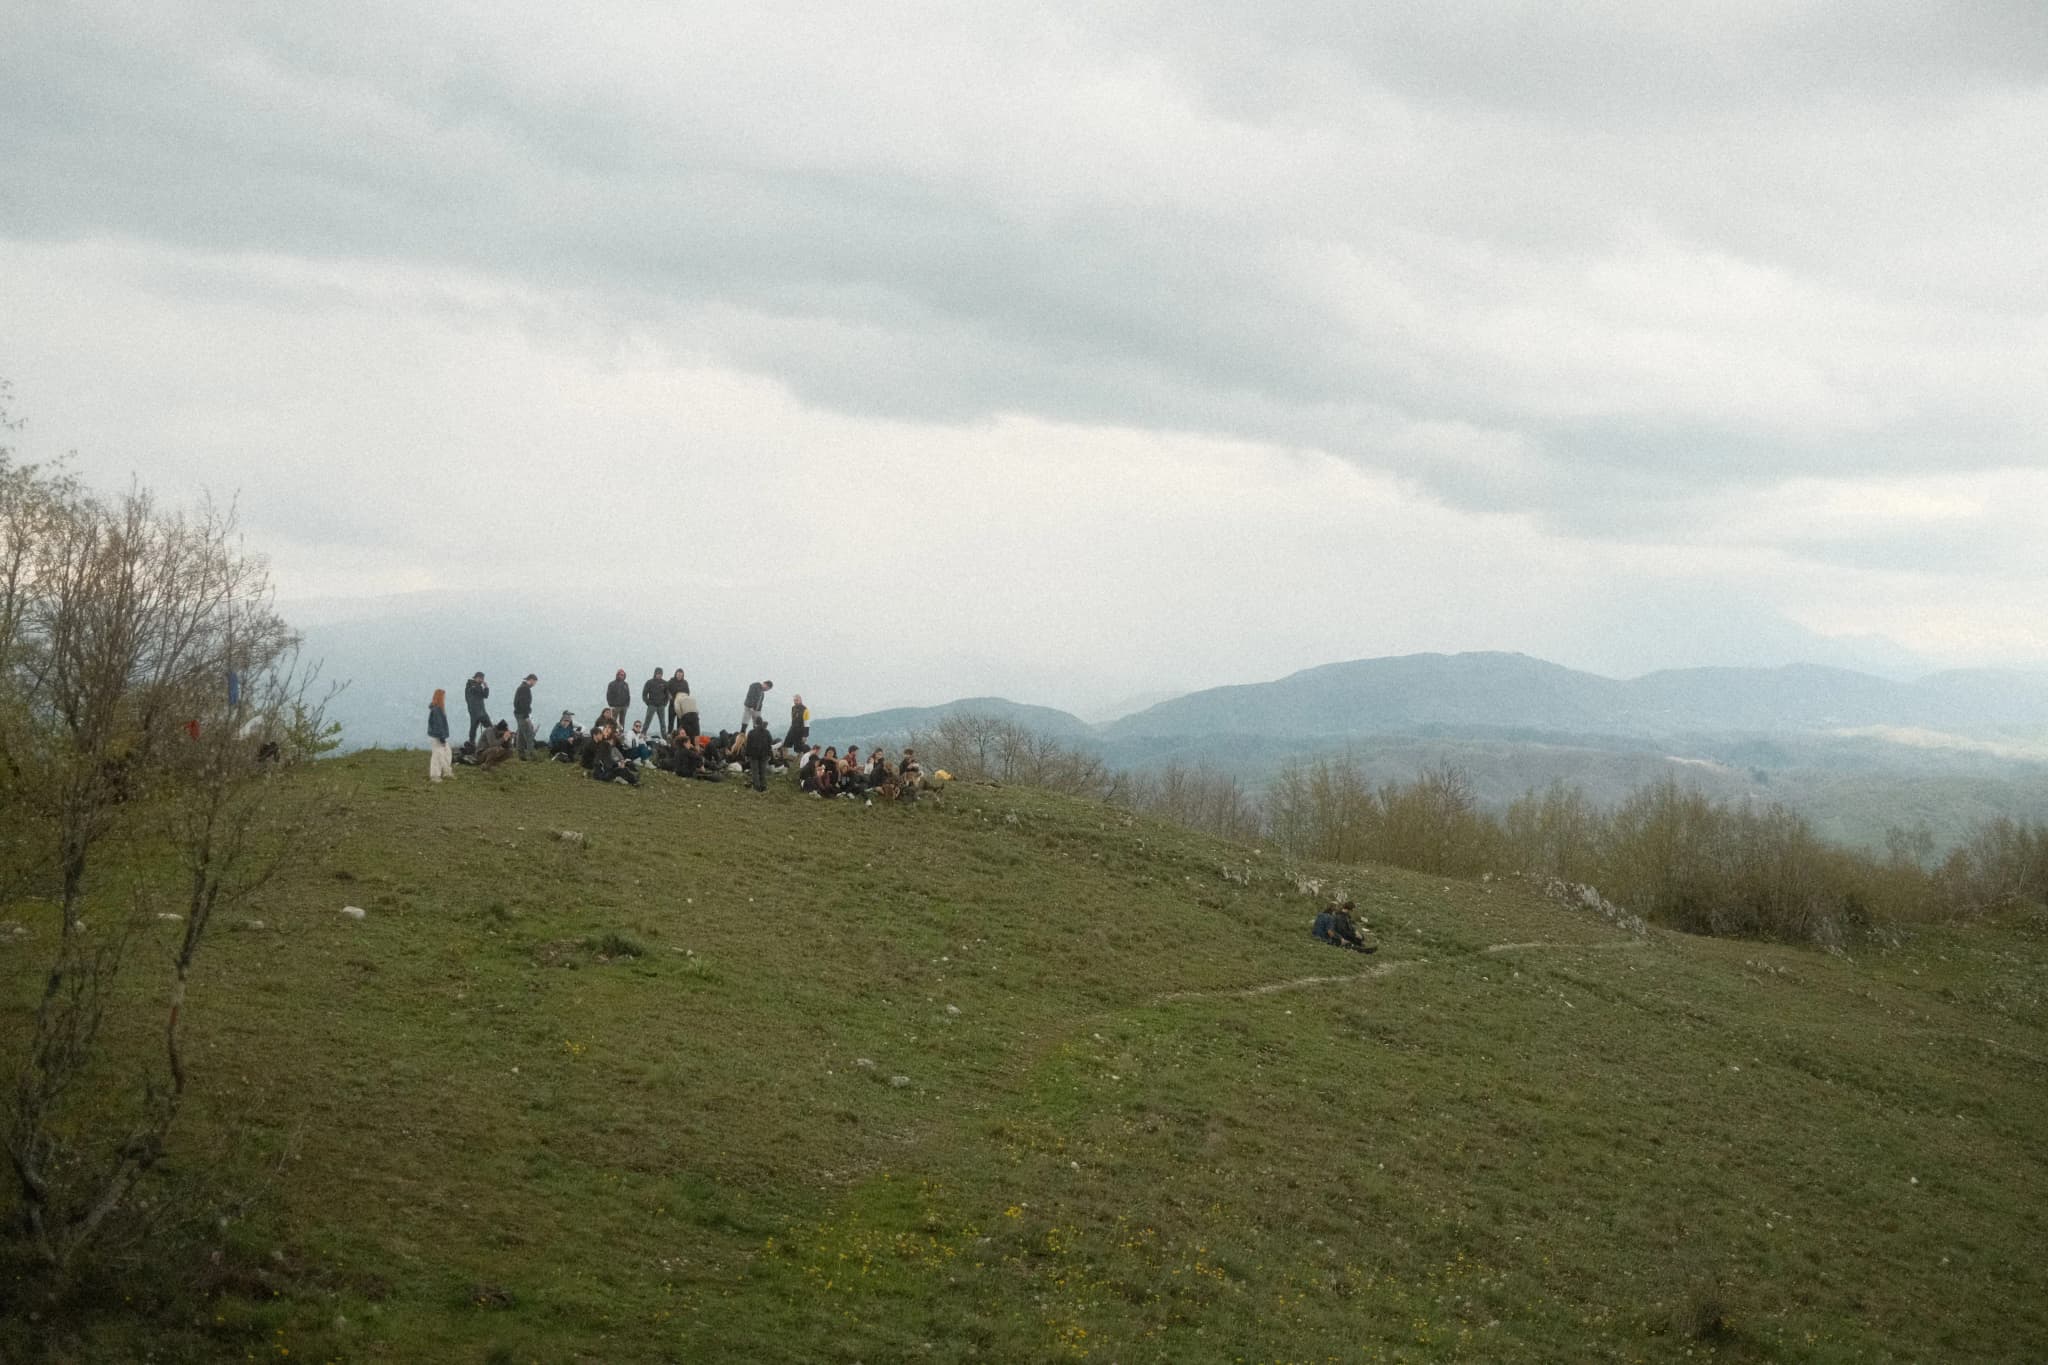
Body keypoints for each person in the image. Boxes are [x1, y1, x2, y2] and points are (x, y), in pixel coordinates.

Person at [427, 688, 453, 782]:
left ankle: (446, 772)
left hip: (437, 736)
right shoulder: (437, 710)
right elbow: (439, 725)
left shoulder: (436, 709)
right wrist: (442, 737)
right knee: (438, 755)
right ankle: (435, 776)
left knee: (446, 753)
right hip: (438, 736)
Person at [743, 716, 775, 791]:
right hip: (764, 755)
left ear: (755, 723)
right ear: (761, 722)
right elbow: (771, 743)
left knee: (755, 771)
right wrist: (769, 753)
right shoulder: (767, 732)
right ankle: (763, 786)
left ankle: (756, 787)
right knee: (763, 771)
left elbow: (748, 745)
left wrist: (747, 755)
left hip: (753, 755)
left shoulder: (751, 732)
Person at [513, 673, 539, 761]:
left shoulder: (521, 687)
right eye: (535, 682)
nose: (535, 684)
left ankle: (521, 755)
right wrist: (526, 716)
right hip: (522, 715)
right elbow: (524, 703)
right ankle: (532, 755)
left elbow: (517, 703)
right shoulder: (525, 689)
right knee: (529, 734)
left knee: (520, 734)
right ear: (531, 680)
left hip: (519, 713)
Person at [464, 671, 491, 745]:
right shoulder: (470, 685)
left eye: (482, 678)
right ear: (476, 678)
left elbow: (485, 695)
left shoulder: (478, 686)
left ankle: (472, 743)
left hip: (480, 710)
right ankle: (472, 743)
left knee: (474, 727)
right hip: (476, 711)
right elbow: (472, 692)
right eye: (480, 678)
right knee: (489, 727)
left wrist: (486, 687)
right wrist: (479, 687)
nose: (481, 680)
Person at [671, 674, 700, 741]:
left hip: (686, 715)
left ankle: (687, 745)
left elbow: (677, 709)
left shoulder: (677, 698)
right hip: (695, 716)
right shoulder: (691, 698)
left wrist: (681, 716)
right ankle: (697, 748)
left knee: (686, 734)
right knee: (696, 734)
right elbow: (697, 710)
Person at [641, 668, 669, 738]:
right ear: (655, 673)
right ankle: (642, 734)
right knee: (647, 720)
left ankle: (664, 736)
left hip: (661, 706)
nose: (659, 675)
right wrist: (648, 702)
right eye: (658, 673)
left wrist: (665, 703)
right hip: (652, 705)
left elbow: (667, 695)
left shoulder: (665, 683)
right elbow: (644, 694)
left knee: (662, 722)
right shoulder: (649, 682)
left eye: (660, 674)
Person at [666, 666, 691, 734]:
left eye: (681, 675)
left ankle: (678, 737)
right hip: (672, 705)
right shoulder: (671, 681)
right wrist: (669, 695)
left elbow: (688, 692)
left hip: (681, 706)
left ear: (683, 675)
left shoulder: (685, 682)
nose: (679, 676)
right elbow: (666, 689)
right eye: (678, 674)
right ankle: (669, 736)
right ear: (676, 674)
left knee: (680, 723)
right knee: (671, 722)